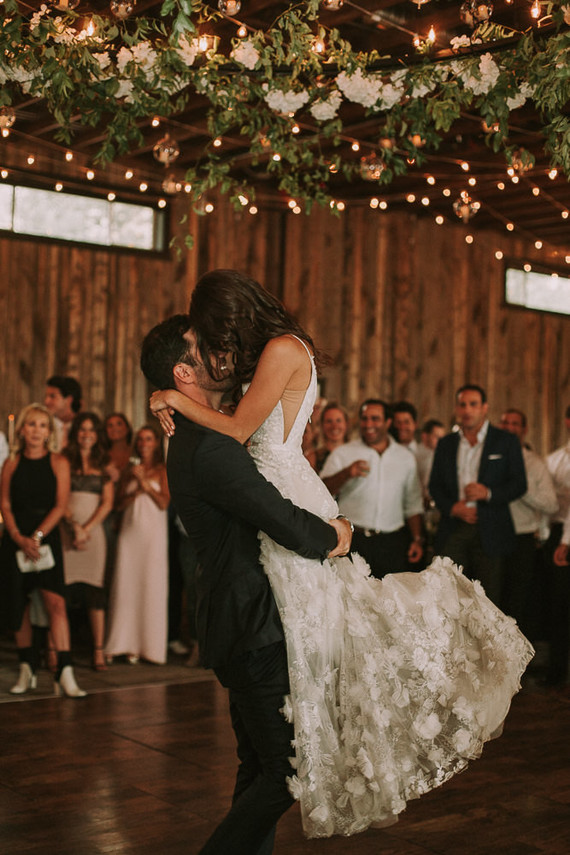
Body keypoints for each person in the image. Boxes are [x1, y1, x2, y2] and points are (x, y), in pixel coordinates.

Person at [148, 270, 533, 845]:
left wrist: (172, 396)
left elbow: (242, 433)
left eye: (212, 332)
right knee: (277, 764)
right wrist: (332, 536)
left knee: (272, 756)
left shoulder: (271, 360)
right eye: (202, 344)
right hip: (261, 580)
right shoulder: (211, 437)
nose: (215, 349)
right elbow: (250, 462)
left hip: (274, 540)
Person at [0, 403, 86, 697]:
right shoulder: (11, 463)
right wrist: (18, 537)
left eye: (42, 425)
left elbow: (60, 506)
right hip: (15, 538)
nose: (36, 431)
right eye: (31, 424)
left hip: (45, 537)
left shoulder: (58, 462)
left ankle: (65, 671)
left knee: (56, 604)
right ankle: (27, 669)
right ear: (22, 430)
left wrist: (36, 538)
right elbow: (5, 504)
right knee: (20, 604)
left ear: (49, 432)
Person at [429, 384, 527, 607]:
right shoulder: (446, 443)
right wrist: (453, 508)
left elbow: (519, 484)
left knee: (488, 598)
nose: (467, 410)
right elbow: (434, 486)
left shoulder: (505, 441)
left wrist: (489, 493)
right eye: (462, 405)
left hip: (491, 528)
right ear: (456, 408)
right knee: (446, 592)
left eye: (473, 404)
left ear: (484, 408)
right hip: (454, 526)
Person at [320, 398, 425, 577]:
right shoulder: (343, 453)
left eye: (375, 419)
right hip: (353, 540)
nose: (368, 424)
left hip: (392, 543)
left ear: (388, 422)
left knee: (390, 593)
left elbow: (413, 503)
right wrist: (346, 473)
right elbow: (321, 492)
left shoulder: (405, 458)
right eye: (364, 418)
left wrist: (417, 539)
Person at [105, 425, 170, 665]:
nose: (144, 443)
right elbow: (118, 504)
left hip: (153, 535)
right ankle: (122, 643)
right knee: (125, 584)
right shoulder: (129, 471)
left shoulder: (163, 470)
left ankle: (148, 646)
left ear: (155, 443)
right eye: (141, 439)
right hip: (129, 532)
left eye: (149, 439)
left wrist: (145, 484)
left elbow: (164, 503)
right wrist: (134, 491)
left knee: (151, 584)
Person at [497, 409, 558, 635]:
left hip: (521, 539)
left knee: (517, 602)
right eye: (505, 423)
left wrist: (520, 488)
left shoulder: (535, 464)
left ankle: (516, 654)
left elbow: (551, 504)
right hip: (490, 536)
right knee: (491, 598)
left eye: (515, 424)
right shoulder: (489, 458)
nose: (509, 428)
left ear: (524, 430)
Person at [62, 412, 114, 671]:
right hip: (65, 530)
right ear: (76, 433)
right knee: (61, 592)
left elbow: (107, 502)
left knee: (95, 593)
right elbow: (59, 498)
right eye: (82, 429)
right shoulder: (64, 459)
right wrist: (74, 527)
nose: (87, 434)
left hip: (93, 535)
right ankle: (57, 649)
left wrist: (86, 529)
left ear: (97, 434)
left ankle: (98, 651)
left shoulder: (104, 462)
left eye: (91, 430)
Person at [542, 405, 570, 687]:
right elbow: (547, 502)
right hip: (558, 530)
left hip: (566, 536)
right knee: (558, 604)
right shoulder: (553, 460)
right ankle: (557, 670)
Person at [305, 401, 350, 473]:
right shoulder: (312, 458)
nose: (334, 426)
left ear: (346, 424)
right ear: (322, 425)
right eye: (329, 421)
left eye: (338, 421)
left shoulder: (355, 453)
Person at [44, 375, 82, 452]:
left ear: (69, 400)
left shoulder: (84, 427)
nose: (46, 401)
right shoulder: (44, 426)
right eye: (46, 396)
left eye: (52, 396)